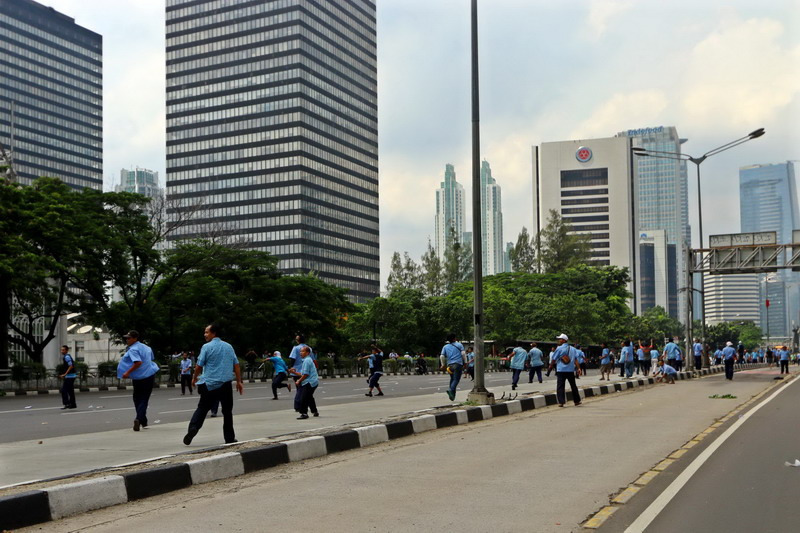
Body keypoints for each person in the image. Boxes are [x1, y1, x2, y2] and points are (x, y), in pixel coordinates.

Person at [183, 323, 244, 445]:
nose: (205, 334)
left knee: (202, 407)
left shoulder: (206, 347)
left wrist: (194, 378)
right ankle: (229, 438)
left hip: (209, 384)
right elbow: (236, 365)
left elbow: (199, 365)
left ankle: (193, 428)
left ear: (214, 333)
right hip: (225, 384)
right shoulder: (228, 347)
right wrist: (239, 381)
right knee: (227, 412)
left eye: (207, 332)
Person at [117, 330, 159, 431]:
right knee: (144, 399)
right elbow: (150, 359)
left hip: (139, 378)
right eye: (126, 338)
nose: (127, 340)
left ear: (135, 338)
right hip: (149, 375)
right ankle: (142, 420)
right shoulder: (147, 347)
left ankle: (138, 419)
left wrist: (127, 372)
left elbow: (138, 362)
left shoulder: (133, 350)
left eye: (129, 338)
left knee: (138, 399)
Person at [551, 334, 581, 407]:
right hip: (570, 370)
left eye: (560, 339)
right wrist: (579, 368)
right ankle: (576, 401)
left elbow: (554, 359)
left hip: (561, 370)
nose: (559, 340)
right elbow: (575, 360)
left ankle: (561, 402)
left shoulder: (559, 348)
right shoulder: (573, 349)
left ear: (564, 340)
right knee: (573, 385)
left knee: (560, 386)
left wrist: (550, 366)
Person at [288, 334, 314, 412]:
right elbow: (312, 360)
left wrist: (291, 368)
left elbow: (292, 359)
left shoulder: (296, 348)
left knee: (299, 389)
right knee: (304, 389)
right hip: (306, 371)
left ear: (298, 340)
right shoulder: (308, 348)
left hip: (297, 371)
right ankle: (309, 407)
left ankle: (298, 405)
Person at [295, 346, 319, 419]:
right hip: (313, 381)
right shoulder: (307, 360)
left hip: (310, 382)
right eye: (300, 351)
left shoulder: (307, 361)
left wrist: (299, 381)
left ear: (307, 353)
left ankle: (304, 413)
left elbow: (306, 374)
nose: (300, 353)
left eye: (302, 351)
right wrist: (294, 372)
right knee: (309, 397)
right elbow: (304, 374)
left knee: (303, 397)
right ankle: (314, 411)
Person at [441, 333, 465, 401]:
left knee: (452, 379)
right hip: (457, 364)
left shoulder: (445, 346)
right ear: (454, 338)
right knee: (456, 379)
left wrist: (443, 364)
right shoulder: (459, 345)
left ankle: (452, 395)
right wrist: (465, 363)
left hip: (449, 366)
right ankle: (451, 390)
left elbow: (442, 356)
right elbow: (463, 354)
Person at [58, 345, 77, 410]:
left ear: (66, 350)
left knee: (63, 390)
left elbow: (71, 365)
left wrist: (65, 374)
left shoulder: (67, 357)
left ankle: (67, 403)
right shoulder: (67, 356)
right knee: (70, 391)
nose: (62, 351)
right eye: (61, 350)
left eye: (63, 350)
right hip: (71, 376)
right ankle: (73, 404)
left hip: (70, 376)